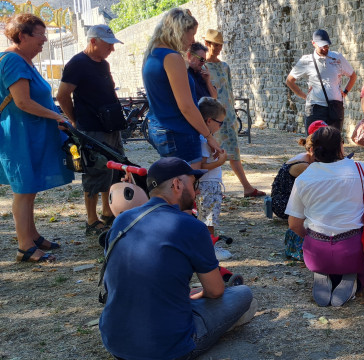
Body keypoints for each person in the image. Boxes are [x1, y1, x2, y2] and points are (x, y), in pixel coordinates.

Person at [99, 157, 255, 360]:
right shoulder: (190, 225)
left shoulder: (122, 220)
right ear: (177, 184)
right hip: (168, 349)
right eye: (194, 183)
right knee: (244, 294)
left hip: (115, 341)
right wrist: (202, 293)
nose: (197, 191)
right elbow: (216, 291)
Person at [1, 14, 74, 263]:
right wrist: (57, 117)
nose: (44, 40)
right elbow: (22, 101)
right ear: (22, 36)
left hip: (29, 134)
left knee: (29, 188)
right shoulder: (13, 60)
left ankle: (32, 235)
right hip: (19, 136)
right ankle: (25, 247)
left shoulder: (23, 60)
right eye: (40, 35)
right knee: (23, 190)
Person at [285, 127, 364, 307]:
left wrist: (314, 239)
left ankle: (324, 271)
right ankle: (354, 279)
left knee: (324, 252)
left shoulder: (304, 177)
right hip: (352, 251)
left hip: (315, 253)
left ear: (313, 149)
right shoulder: (359, 170)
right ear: (341, 148)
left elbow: (293, 224)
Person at [56, 24, 126, 236]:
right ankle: (91, 219)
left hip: (111, 125)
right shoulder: (77, 64)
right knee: (94, 172)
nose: (112, 49)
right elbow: (62, 95)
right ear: (93, 41)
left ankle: (107, 211)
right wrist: (75, 121)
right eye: (108, 45)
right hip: (92, 128)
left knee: (113, 168)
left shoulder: (103, 64)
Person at [142, 8, 221, 168]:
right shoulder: (172, 57)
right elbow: (186, 106)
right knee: (186, 188)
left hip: (161, 129)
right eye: (191, 34)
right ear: (179, 32)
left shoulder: (151, 55)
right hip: (178, 132)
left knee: (174, 186)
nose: (193, 40)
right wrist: (208, 136)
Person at [203, 29, 266, 197]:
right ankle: (213, 187)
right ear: (207, 44)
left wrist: (232, 114)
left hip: (227, 115)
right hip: (209, 116)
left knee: (233, 152)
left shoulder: (224, 66)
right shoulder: (202, 67)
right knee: (209, 152)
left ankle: (246, 187)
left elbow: (229, 91)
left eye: (220, 46)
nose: (217, 48)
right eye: (214, 45)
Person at [272, 120, 327, 261]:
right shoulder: (303, 165)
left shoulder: (308, 160)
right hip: (283, 204)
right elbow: (320, 186)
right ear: (312, 150)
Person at [286, 29, 357, 132]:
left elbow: (353, 75)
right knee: (314, 141)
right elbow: (289, 81)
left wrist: (345, 92)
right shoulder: (306, 60)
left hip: (335, 106)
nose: (325, 48)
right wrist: (303, 95)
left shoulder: (337, 58)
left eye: (327, 45)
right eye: (322, 46)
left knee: (334, 141)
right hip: (315, 107)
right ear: (313, 43)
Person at [196, 97, 228, 258]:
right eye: (220, 123)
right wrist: (220, 162)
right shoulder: (203, 141)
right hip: (208, 185)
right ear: (209, 121)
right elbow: (200, 167)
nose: (221, 126)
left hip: (211, 185)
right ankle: (210, 249)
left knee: (209, 218)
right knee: (209, 219)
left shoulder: (206, 140)